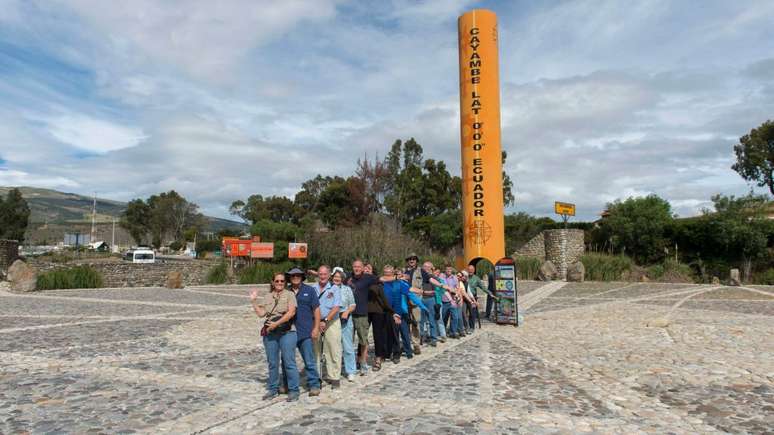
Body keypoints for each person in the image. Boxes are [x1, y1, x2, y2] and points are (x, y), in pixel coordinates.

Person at [250, 273, 300, 402]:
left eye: (282, 281)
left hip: (287, 331)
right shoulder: (268, 296)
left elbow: (291, 312)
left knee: (289, 362)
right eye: (277, 281)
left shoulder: (290, 295)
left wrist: (276, 324)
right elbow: (262, 314)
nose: (279, 283)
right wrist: (254, 301)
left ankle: (294, 390)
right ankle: (273, 389)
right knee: (272, 363)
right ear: (273, 282)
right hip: (271, 333)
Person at [286, 267, 322, 396]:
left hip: (305, 330)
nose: (295, 277)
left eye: (298, 275)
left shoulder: (309, 290)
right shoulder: (285, 291)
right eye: (292, 275)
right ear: (289, 277)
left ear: (302, 277)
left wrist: (316, 327)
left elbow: (316, 310)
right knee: (287, 360)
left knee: (309, 360)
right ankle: (287, 385)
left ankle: (314, 385)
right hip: (288, 331)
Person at [381, 265, 429, 361]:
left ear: (393, 273)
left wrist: (422, 305)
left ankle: (402, 352)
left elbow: (411, 293)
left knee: (401, 333)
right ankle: (389, 353)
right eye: (386, 272)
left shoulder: (399, 283)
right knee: (389, 334)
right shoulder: (381, 283)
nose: (387, 274)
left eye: (389, 272)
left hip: (398, 312)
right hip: (385, 312)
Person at [312, 265, 342, 389]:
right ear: (317, 275)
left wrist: (325, 320)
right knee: (316, 350)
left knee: (333, 349)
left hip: (332, 322)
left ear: (329, 275)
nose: (322, 276)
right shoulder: (312, 289)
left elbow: (336, 307)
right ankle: (316, 376)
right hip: (316, 322)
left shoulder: (335, 289)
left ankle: (334, 376)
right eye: (320, 274)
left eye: (325, 274)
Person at [348, 259, 378, 375]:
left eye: (359, 267)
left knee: (363, 340)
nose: (357, 268)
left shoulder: (368, 278)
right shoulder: (348, 278)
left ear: (362, 268)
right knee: (348, 340)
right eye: (355, 266)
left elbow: (381, 279)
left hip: (361, 314)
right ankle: (351, 363)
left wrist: (395, 278)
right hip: (348, 314)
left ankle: (363, 363)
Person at [418, 261, 453, 347]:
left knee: (432, 320)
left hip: (431, 300)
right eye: (424, 266)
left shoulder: (433, 277)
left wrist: (450, 298)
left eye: (427, 267)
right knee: (421, 321)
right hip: (421, 299)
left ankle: (433, 338)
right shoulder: (419, 277)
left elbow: (441, 288)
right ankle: (421, 337)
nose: (425, 268)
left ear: (431, 268)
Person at [333, 269, 357, 381]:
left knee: (348, 347)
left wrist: (347, 312)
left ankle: (351, 370)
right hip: (332, 320)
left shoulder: (347, 289)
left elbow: (352, 304)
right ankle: (334, 371)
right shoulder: (328, 289)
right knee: (334, 348)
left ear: (342, 278)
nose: (336, 279)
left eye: (339, 277)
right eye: (335, 277)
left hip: (345, 319)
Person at [367, 280, 396, 371]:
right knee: (362, 336)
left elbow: (383, 298)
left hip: (378, 312)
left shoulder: (377, 284)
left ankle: (378, 358)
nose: (366, 270)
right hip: (364, 312)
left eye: (369, 269)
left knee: (377, 335)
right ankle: (361, 358)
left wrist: (391, 311)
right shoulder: (361, 282)